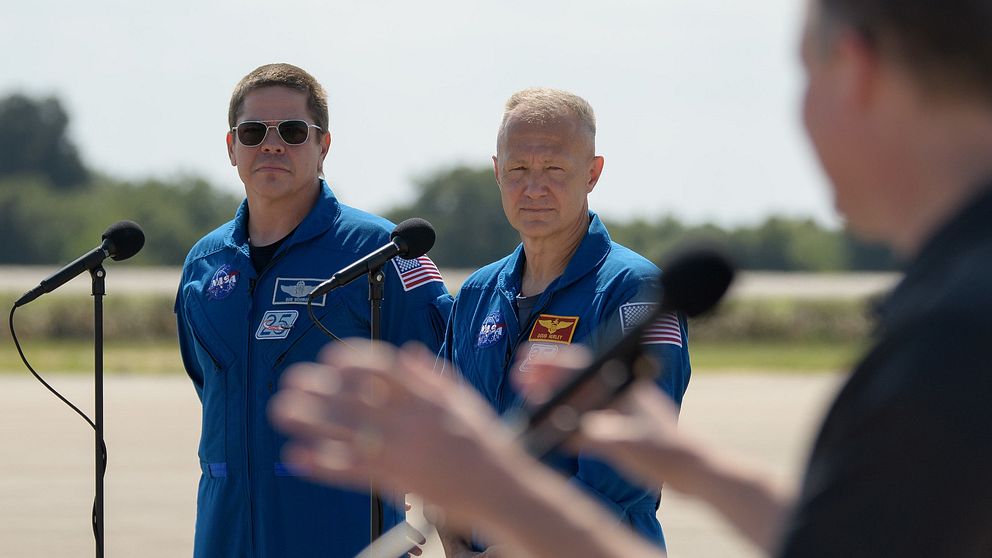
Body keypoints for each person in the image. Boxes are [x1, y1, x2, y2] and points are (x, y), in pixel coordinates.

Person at [270, 0, 992, 556]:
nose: (533, 187)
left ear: (855, 71)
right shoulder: (954, 306)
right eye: (518, 170)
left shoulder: (955, 337)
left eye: (804, 77)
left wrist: (489, 493)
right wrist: (698, 468)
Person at [174, 63, 451, 558]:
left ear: (323, 147)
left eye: (294, 132)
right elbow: (211, 385)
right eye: (253, 131)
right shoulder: (204, 263)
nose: (272, 145)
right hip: (225, 531)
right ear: (231, 147)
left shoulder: (381, 251)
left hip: (342, 529)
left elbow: (447, 375)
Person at [437, 87, 691, 554]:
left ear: (592, 173)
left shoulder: (636, 291)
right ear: (496, 172)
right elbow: (444, 429)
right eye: (518, 169)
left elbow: (629, 462)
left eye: (554, 168)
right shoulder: (477, 292)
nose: (534, 188)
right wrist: (453, 536)